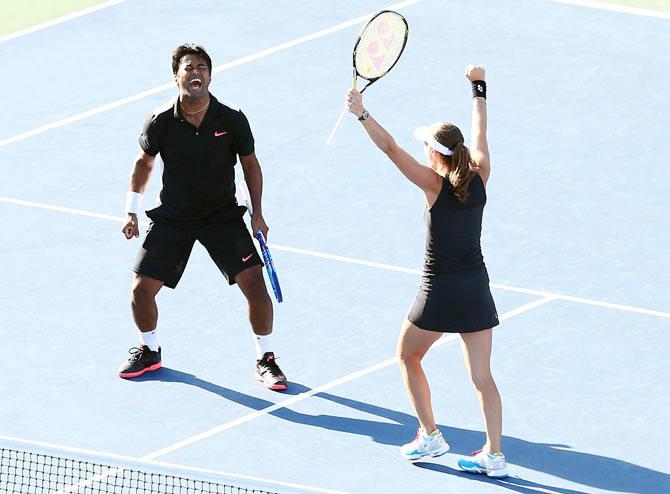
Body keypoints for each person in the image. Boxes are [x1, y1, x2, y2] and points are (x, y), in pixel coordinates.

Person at [346, 65, 507, 477]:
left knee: (407, 354)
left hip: (438, 292)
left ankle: (431, 435)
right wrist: (477, 87)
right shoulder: (482, 174)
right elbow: (480, 129)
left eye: (427, 147)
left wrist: (362, 114)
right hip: (476, 290)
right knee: (483, 377)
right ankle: (495, 455)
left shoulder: (433, 185)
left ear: (436, 155)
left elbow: (390, 149)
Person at [118, 43, 287, 390]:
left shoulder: (232, 118)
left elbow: (250, 164)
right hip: (175, 216)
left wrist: (258, 214)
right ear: (176, 76)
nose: (196, 73)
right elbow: (143, 163)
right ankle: (150, 351)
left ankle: (266, 358)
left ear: (209, 76)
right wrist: (131, 211)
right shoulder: (161, 119)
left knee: (255, 284)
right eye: (189, 67)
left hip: (221, 216)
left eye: (202, 68)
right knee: (141, 289)